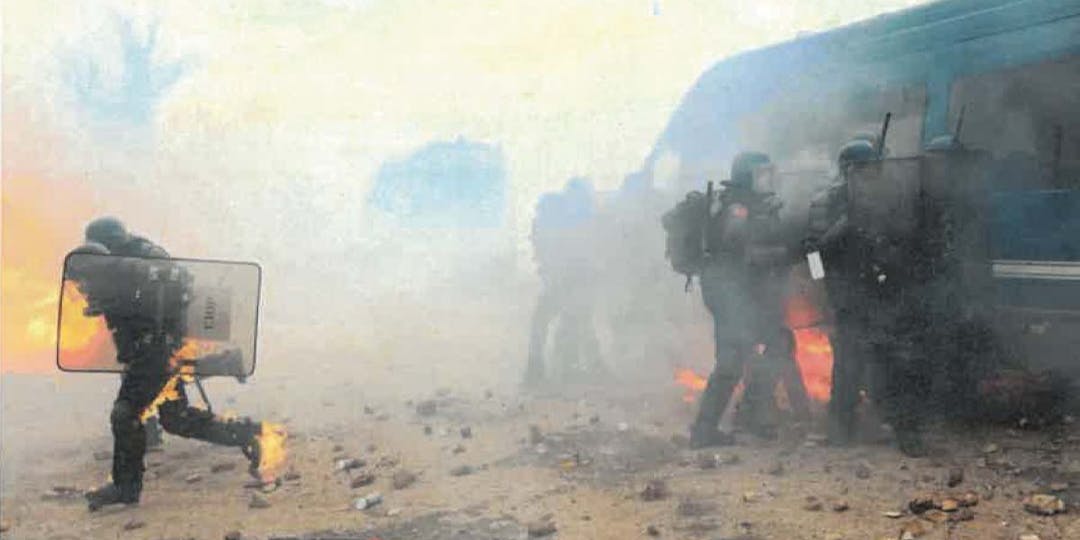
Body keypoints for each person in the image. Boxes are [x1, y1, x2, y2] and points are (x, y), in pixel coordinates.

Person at [75, 217, 268, 511]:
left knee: (125, 413)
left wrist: (134, 299)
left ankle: (126, 488)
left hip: (155, 351)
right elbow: (123, 303)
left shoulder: (143, 257)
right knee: (174, 418)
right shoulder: (126, 264)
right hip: (149, 352)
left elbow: (171, 283)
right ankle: (245, 433)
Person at [806, 142, 930, 456]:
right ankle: (840, 429)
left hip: (883, 292)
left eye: (875, 169)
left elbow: (905, 241)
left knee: (895, 364)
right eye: (865, 170)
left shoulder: (887, 199)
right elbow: (812, 253)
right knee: (848, 365)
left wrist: (895, 267)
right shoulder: (827, 202)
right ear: (848, 171)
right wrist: (824, 290)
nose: (872, 176)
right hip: (847, 294)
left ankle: (907, 432)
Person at [688, 152, 802, 448]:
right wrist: (786, 253)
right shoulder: (735, 210)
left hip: (750, 295)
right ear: (746, 177)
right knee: (731, 361)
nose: (768, 180)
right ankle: (704, 429)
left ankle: (752, 412)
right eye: (761, 174)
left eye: (769, 173)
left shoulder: (762, 207)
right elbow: (743, 255)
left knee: (779, 344)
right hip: (729, 295)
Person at [85, 216, 167, 449]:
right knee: (170, 409)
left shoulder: (144, 255)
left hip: (154, 336)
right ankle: (148, 433)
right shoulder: (121, 261)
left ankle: (147, 435)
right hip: (140, 337)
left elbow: (160, 289)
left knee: (138, 395)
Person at [523, 180, 606, 385]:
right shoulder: (564, 218)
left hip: (571, 279)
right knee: (573, 322)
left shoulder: (570, 218)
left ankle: (564, 369)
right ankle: (566, 369)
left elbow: (579, 251)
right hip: (566, 279)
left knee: (571, 322)